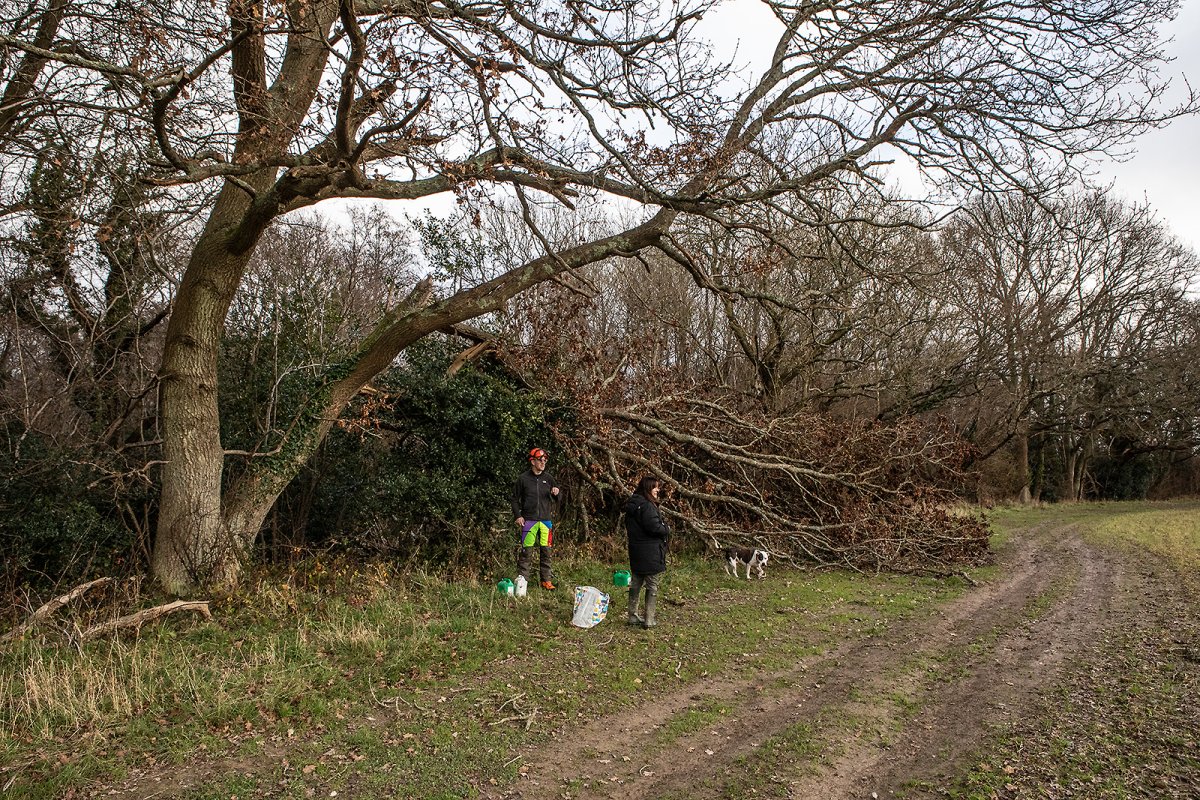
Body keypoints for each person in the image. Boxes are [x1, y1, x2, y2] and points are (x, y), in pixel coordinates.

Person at [512, 447, 561, 590]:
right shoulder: (523, 479)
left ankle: (546, 581)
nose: (543, 462)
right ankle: (522, 584)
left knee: (546, 552)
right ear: (532, 461)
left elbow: (558, 498)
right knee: (526, 553)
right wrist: (518, 516)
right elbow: (514, 499)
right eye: (541, 460)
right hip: (529, 522)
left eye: (545, 460)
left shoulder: (549, 478)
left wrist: (557, 493)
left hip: (546, 522)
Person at [625, 475, 669, 628]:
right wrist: (666, 529)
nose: (658, 490)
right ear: (648, 488)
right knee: (652, 585)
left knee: (636, 582)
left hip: (636, 550)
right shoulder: (647, 506)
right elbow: (655, 527)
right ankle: (649, 619)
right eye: (655, 487)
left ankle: (632, 615)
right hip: (650, 552)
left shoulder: (633, 504)